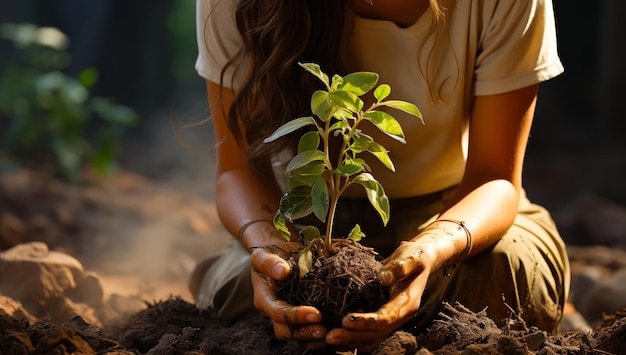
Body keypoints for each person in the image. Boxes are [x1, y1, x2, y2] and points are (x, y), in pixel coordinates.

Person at [190, 0, 570, 352]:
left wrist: (434, 247)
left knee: (509, 269)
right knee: (245, 287)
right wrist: (268, 249)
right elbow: (238, 171)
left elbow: (495, 178)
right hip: (304, 229)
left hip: (455, 216)